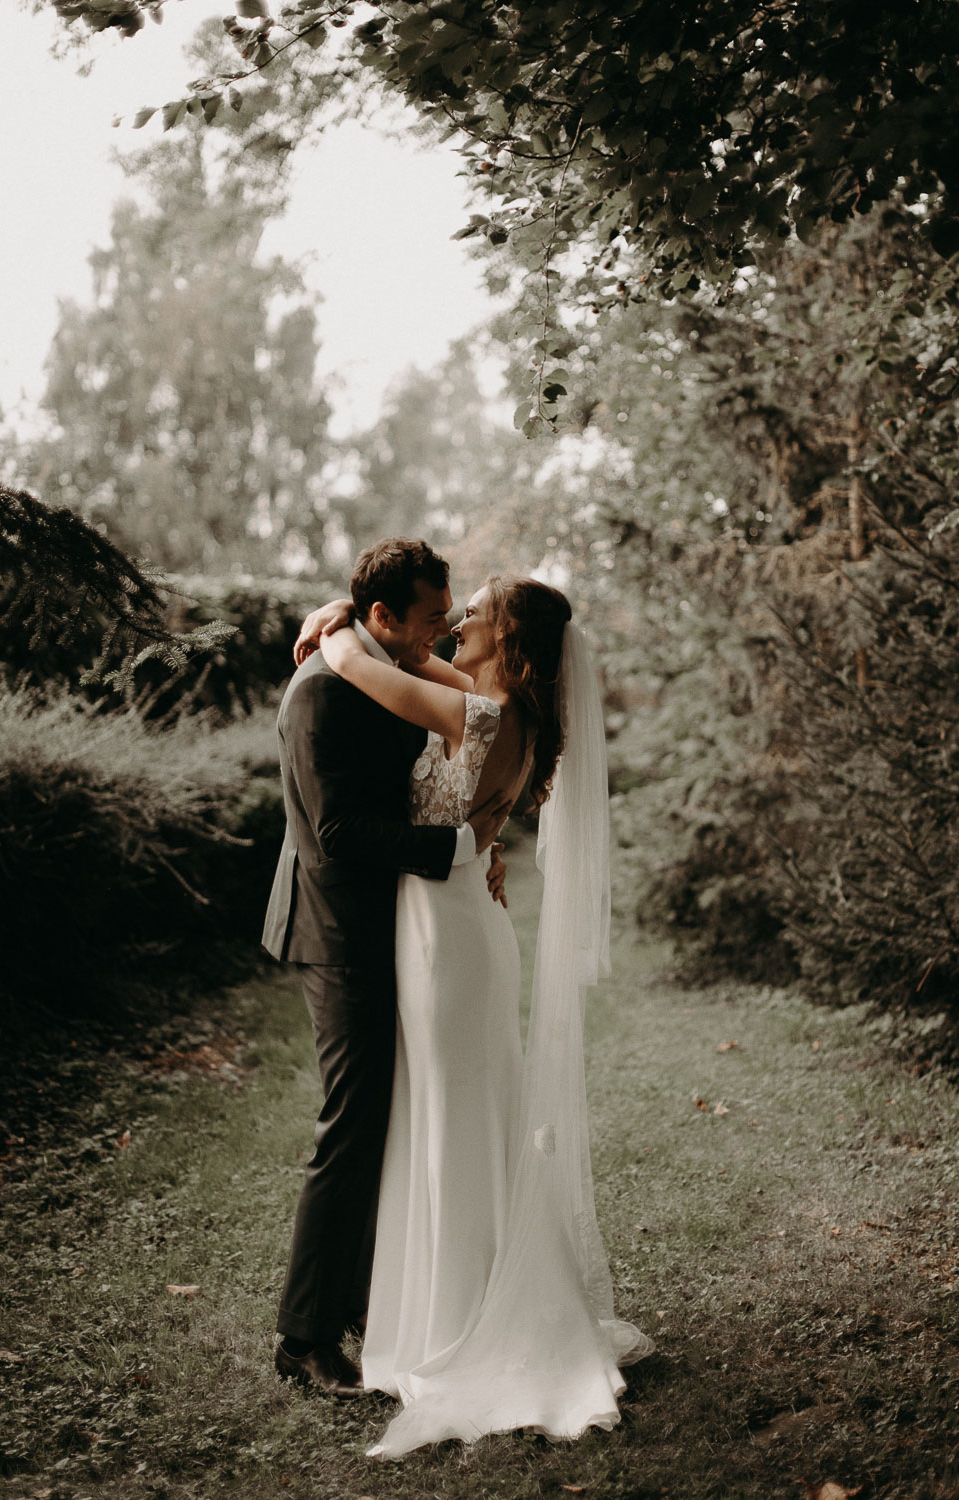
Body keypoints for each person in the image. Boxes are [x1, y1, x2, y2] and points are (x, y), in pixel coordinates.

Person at [297, 574, 654, 1456]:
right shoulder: (493, 703)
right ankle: (441, 1300)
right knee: (452, 1117)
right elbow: (412, 671)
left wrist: (331, 625)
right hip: (454, 924)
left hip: (445, 937)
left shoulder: (483, 715)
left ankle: (455, 1319)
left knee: (453, 1119)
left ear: (510, 640)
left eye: (478, 613)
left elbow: (362, 668)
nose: (457, 622)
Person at [261, 539, 512, 1398]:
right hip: (338, 933)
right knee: (353, 1126)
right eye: (432, 619)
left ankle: (369, 1297)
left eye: (449, 618)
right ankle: (304, 1337)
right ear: (384, 617)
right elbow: (336, 834)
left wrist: (335, 623)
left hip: (392, 926)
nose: (442, 636)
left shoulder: (372, 658)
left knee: (383, 1118)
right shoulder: (327, 690)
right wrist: (460, 845)